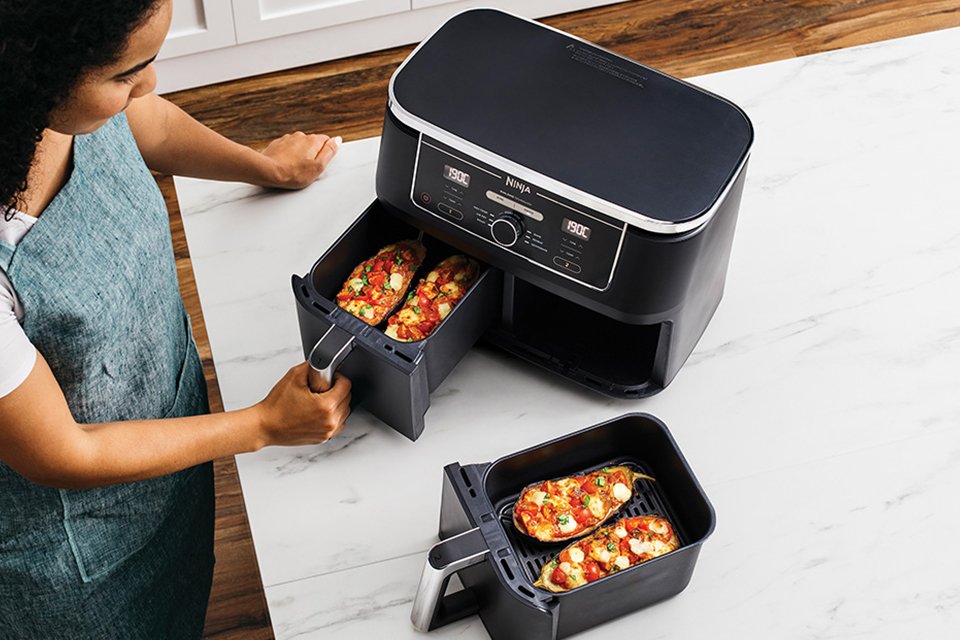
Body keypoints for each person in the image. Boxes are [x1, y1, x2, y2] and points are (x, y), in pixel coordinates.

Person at [0, 1, 352, 637]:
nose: (149, 84)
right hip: (78, 555)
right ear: (32, 73)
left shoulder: (56, 101)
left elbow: (142, 121)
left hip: (164, 443)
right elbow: (60, 453)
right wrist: (263, 426)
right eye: (125, 73)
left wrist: (263, 165)